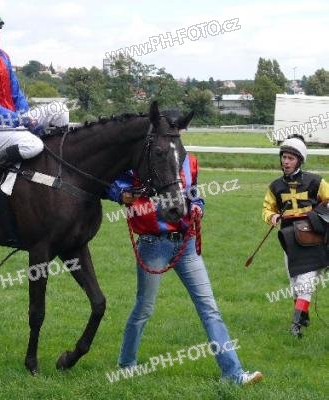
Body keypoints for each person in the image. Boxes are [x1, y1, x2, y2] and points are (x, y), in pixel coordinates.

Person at [106, 122, 263, 385]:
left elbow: (194, 194)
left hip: (186, 244)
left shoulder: (189, 162)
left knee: (209, 308)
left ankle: (233, 374)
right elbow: (112, 185)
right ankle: (126, 364)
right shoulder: (141, 160)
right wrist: (120, 194)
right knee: (144, 308)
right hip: (153, 244)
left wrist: (198, 206)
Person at [0, 9, 68, 194]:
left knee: (60, 109)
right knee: (33, 145)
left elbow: (16, 94)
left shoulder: (3, 57)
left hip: (15, 121)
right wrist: (22, 121)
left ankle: (55, 160)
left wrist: (26, 116)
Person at [262, 135, 329, 338]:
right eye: (284, 157)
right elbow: (267, 208)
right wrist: (272, 216)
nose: (286, 161)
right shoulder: (275, 186)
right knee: (294, 283)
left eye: (290, 158)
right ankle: (303, 315)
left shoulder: (316, 181)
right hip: (289, 239)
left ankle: (296, 325)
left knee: (305, 282)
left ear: (299, 160)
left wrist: (318, 214)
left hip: (313, 238)